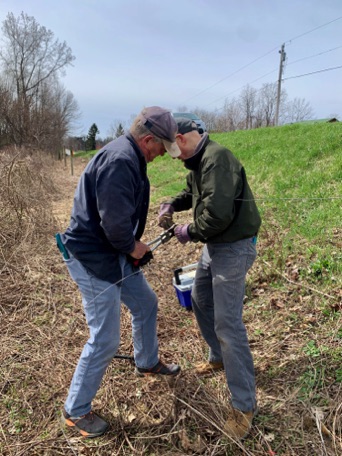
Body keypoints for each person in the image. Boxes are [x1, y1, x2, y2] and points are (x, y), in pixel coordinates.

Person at [56, 106, 182, 438]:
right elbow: (114, 227)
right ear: (148, 139)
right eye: (159, 147)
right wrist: (134, 247)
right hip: (92, 257)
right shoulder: (121, 161)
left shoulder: (130, 157)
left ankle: (147, 361)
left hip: (111, 252)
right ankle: (76, 411)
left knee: (145, 303)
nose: (159, 155)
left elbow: (116, 219)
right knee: (106, 339)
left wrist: (130, 246)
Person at [158, 118, 261, 440]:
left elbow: (217, 214)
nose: (174, 153)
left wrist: (188, 231)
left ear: (189, 136)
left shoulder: (218, 158)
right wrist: (171, 204)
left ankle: (244, 406)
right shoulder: (199, 163)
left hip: (233, 247)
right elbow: (193, 193)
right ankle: (218, 357)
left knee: (228, 324)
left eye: (176, 144)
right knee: (201, 299)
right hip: (215, 246)